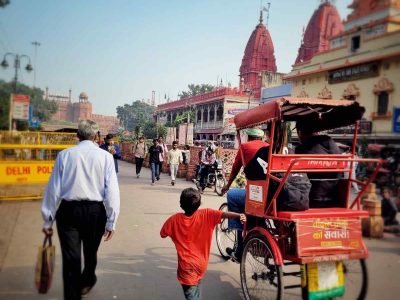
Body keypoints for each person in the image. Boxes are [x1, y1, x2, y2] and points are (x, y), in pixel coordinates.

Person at [41, 120, 120, 300]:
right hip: (95, 212)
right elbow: (112, 192)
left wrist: (48, 219)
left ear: (78, 135)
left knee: (71, 259)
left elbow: (53, 189)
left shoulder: (65, 155)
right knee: (91, 252)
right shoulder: (105, 157)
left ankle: (76, 291)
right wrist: (111, 221)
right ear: (96, 136)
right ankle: (88, 279)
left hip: (68, 211)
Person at [160, 188, 246, 300]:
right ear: (199, 204)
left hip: (186, 267)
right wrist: (238, 215)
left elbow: (163, 233)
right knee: (196, 284)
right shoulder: (207, 214)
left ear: (181, 204)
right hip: (202, 264)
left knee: (192, 293)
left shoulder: (174, 220)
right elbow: (224, 214)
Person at [221, 128, 269, 260]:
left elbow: (236, 168)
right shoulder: (269, 146)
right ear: (261, 137)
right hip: (272, 195)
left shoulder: (245, 147)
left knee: (232, 195)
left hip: (256, 195)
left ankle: (239, 248)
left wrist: (228, 185)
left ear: (249, 137)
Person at [295, 121, 342, 208]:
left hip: (311, 200)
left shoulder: (301, 150)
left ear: (300, 133)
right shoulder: (331, 143)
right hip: (336, 197)